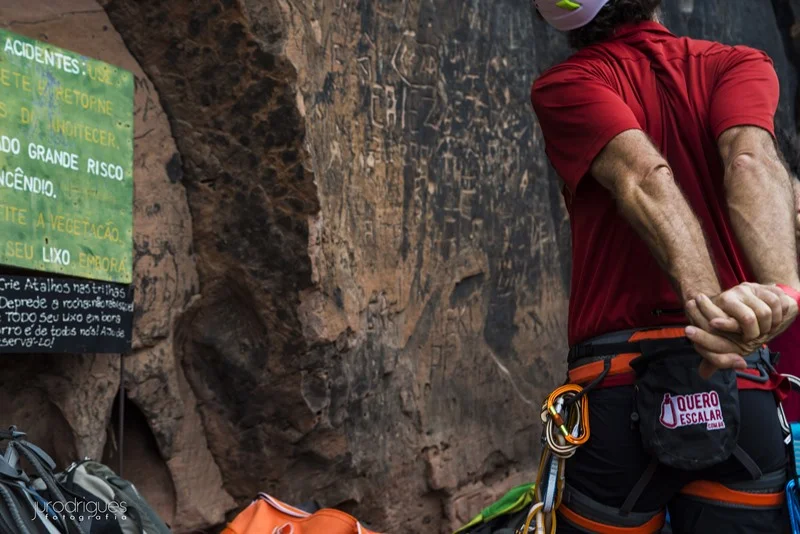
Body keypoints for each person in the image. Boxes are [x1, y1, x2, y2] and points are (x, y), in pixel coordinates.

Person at [530, 1, 800, 532]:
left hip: (616, 389)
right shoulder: (738, 63)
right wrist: (783, 295)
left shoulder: (564, 86)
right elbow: (750, 159)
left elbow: (641, 175)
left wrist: (707, 312)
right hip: (738, 384)